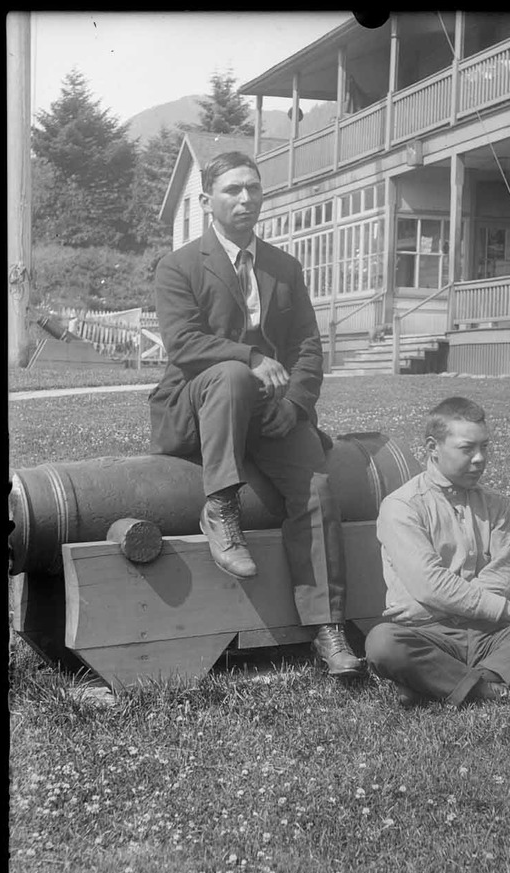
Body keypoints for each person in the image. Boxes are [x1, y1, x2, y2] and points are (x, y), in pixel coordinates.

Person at [149, 150, 366, 680]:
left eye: (254, 189)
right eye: (232, 191)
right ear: (205, 202)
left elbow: (309, 348)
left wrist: (294, 405)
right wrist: (251, 357)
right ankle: (221, 508)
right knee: (230, 374)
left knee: (315, 490)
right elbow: (184, 345)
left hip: (270, 414)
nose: (246, 200)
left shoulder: (283, 267)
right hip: (199, 408)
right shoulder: (178, 267)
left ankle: (327, 627)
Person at [365, 397, 510, 708]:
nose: (479, 458)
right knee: (383, 643)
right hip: (430, 635)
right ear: (433, 447)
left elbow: (503, 579)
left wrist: (435, 603)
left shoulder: (498, 506)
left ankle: (440, 685)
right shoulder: (402, 506)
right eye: (467, 448)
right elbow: (431, 584)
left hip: (491, 635)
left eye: (485, 447)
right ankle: (499, 690)